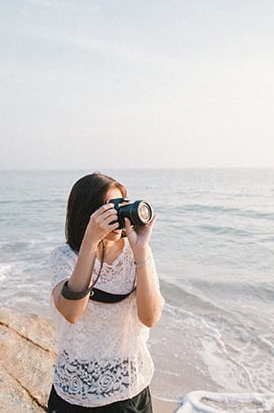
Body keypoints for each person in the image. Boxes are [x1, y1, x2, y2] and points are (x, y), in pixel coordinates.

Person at [48, 172, 164, 412]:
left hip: (130, 387)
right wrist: (90, 241)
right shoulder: (64, 257)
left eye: (122, 205)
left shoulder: (136, 253)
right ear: (88, 214)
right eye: (110, 209)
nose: (119, 216)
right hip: (76, 391)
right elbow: (71, 312)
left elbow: (150, 317)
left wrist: (141, 252)